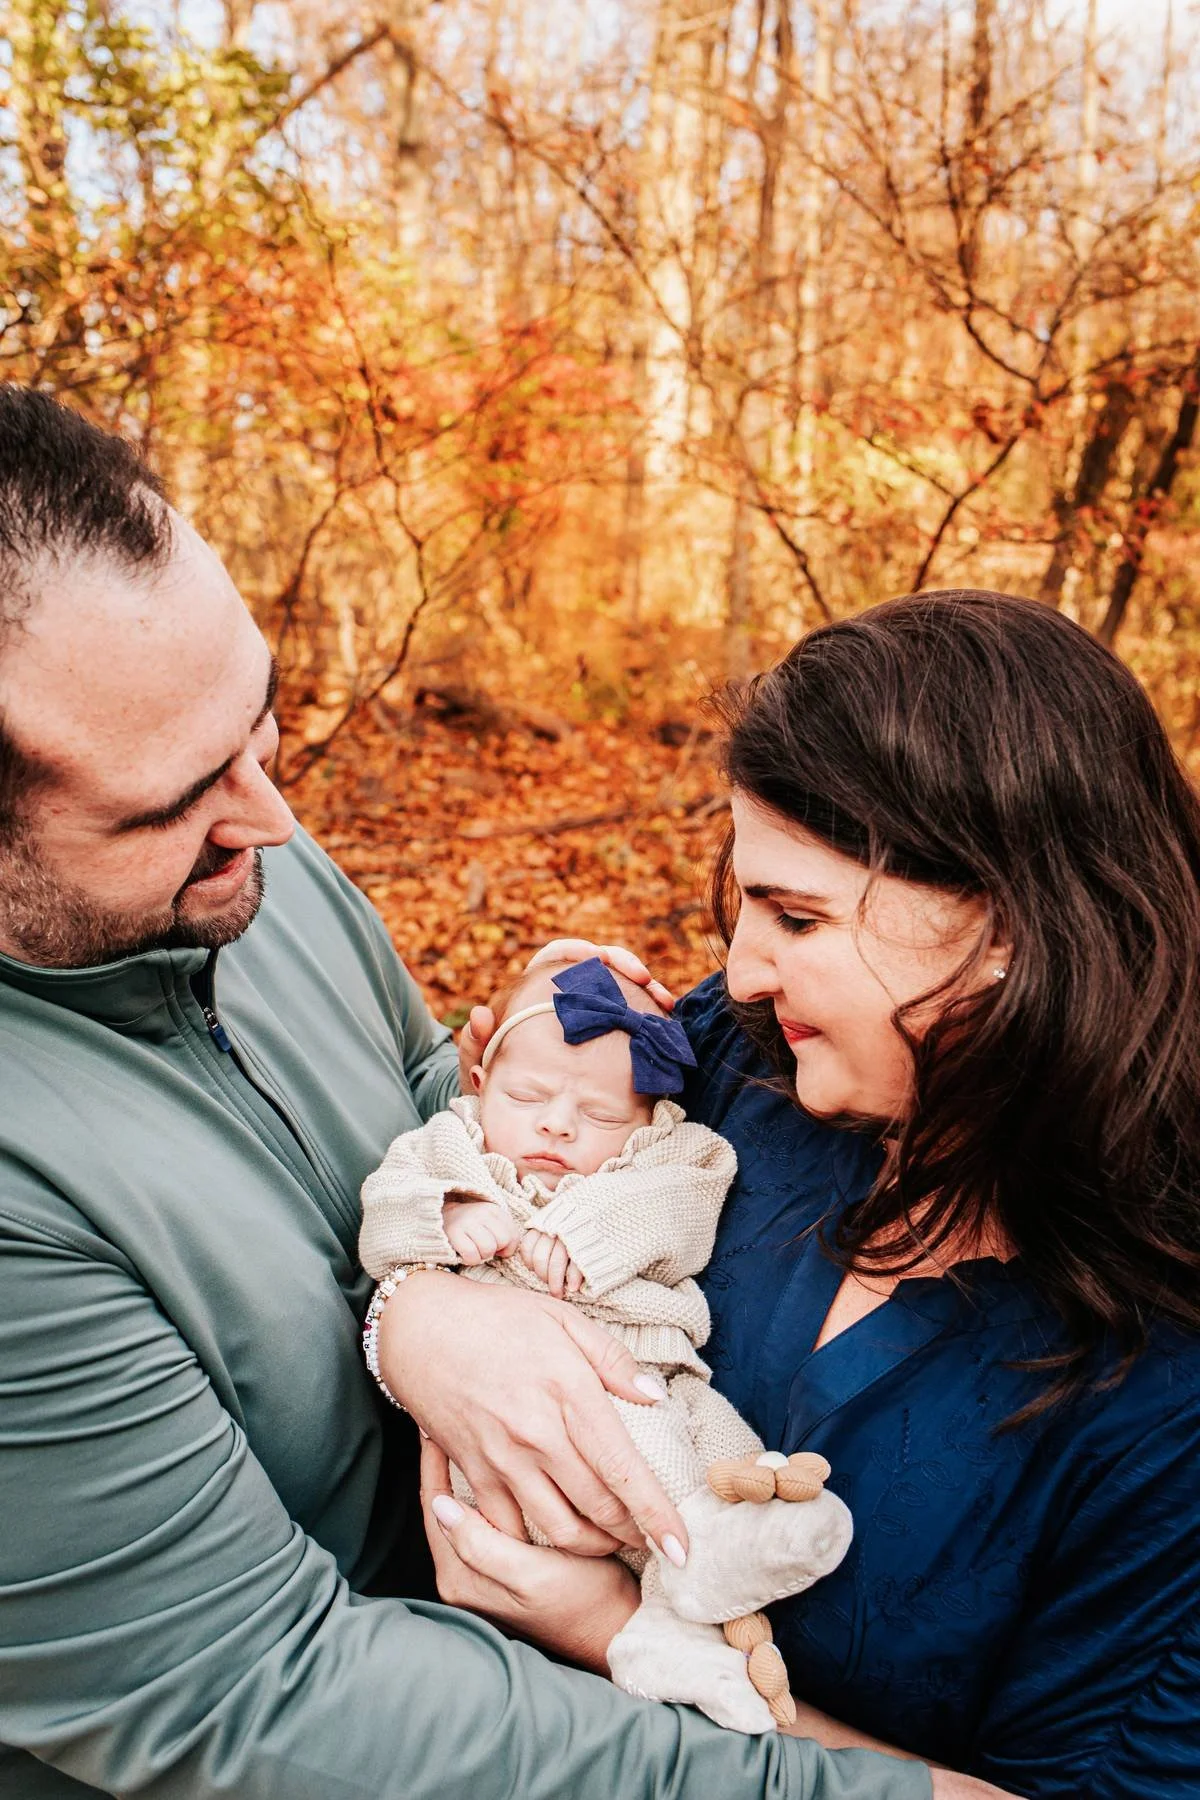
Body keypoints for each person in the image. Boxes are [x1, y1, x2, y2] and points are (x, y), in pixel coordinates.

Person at [0, 384, 932, 1800]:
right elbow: (257, 1699)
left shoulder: (254, 866)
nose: (279, 820)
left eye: (259, 724)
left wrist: (435, 1299)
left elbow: (435, 1093)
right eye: (170, 802)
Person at [379, 592, 1200, 1800]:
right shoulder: (744, 1056)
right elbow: (477, 1144)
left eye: (798, 916)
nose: (742, 964)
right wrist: (425, 1322)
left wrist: (614, 1631)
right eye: (748, 899)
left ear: (1013, 923)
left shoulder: (1163, 1384)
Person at [358, 955, 854, 1734]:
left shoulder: (666, 1153)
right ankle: (690, 1574)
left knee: (711, 1435)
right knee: (630, 1429)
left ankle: (726, 1550)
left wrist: (586, 1230)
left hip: (657, 1366)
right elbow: (384, 1211)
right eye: (527, 1096)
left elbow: (692, 1193)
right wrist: (443, 1216)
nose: (557, 1124)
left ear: (650, 1118)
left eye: (602, 1115)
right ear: (481, 1081)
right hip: (518, 1407)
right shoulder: (447, 1147)